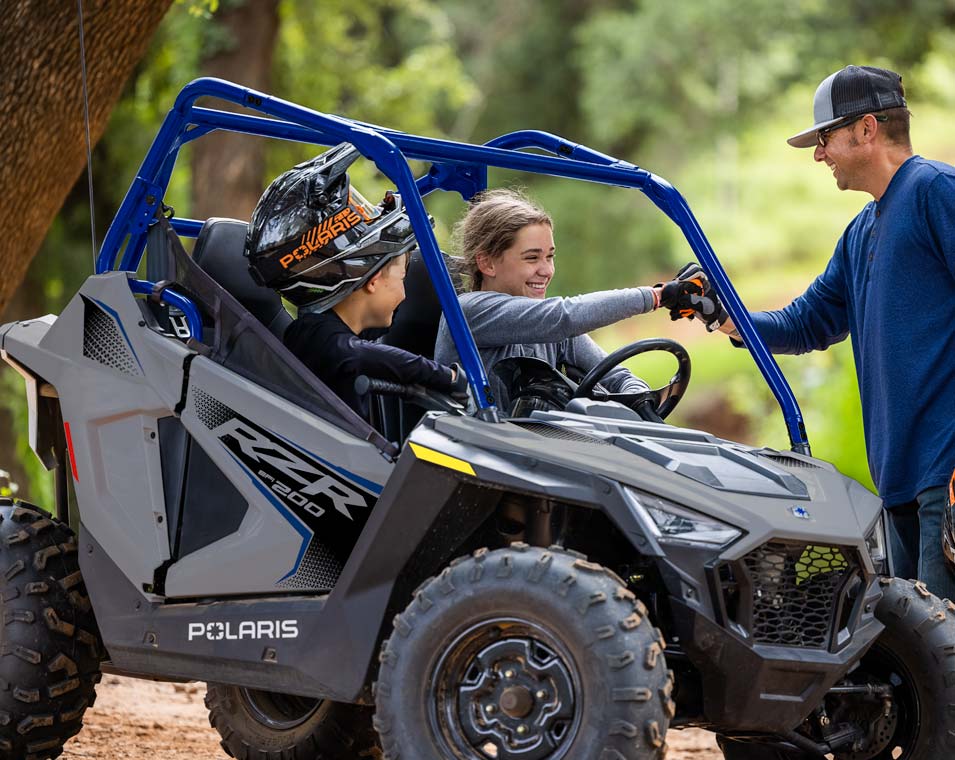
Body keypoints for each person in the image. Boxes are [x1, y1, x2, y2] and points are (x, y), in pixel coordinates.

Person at [706, 65, 955, 608]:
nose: (819, 154)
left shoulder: (936, 191)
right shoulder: (861, 231)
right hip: (898, 482)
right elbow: (805, 323)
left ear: (866, 129)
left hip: (947, 472)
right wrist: (724, 315)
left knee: (945, 640)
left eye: (825, 137)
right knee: (917, 643)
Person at [433, 188, 716, 413]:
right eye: (532, 258)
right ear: (487, 263)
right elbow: (566, 316)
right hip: (479, 455)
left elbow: (615, 376)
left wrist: (639, 400)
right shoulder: (469, 312)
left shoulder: (550, 329)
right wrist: (657, 296)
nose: (546, 270)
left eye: (550, 256)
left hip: (540, 451)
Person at [246, 143, 467, 421]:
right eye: (401, 277)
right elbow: (359, 355)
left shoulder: (324, 331)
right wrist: (446, 376)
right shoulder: (314, 336)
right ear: (372, 282)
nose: (404, 294)